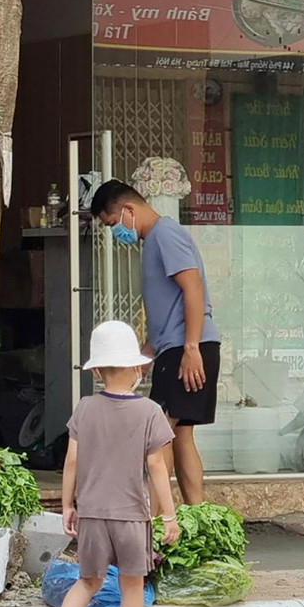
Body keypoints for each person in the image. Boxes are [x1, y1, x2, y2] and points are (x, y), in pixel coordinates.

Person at [29, 320, 180, 607]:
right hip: (131, 515)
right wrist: (170, 514)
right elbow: (157, 465)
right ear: (137, 368)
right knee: (131, 584)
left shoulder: (84, 408)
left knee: (87, 581)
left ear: (96, 370)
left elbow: (72, 461)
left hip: (92, 514)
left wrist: (68, 505)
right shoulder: (149, 412)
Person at [91, 180, 221, 507]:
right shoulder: (155, 240)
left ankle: (151, 521)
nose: (115, 233)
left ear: (129, 210)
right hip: (178, 347)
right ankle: (198, 515)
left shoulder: (164, 234)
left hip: (186, 350)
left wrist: (190, 348)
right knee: (181, 436)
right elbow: (169, 309)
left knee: (159, 434)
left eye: (112, 224)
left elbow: (192, 288)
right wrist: (146, 352)